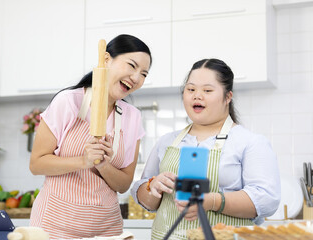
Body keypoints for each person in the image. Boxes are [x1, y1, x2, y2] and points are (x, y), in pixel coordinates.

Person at [131, 58, 280, 240]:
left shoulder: (250, 142)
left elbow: (266, 200)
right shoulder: (167, 141)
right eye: (191, 89)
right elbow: (146, 200)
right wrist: (151, 187)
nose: (197, 96)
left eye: (207, 90)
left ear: (228, 97)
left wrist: (212, 201)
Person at [29, 34, 152, 239]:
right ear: (106, 60)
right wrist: (83, 161)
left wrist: (103, 165)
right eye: (131, 65)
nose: (137, 78)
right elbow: (37, 164)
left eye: (144, 74)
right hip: (55, 227)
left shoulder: (133, 117)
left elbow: (122, 185)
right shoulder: (69, 102)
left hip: (107, 229)